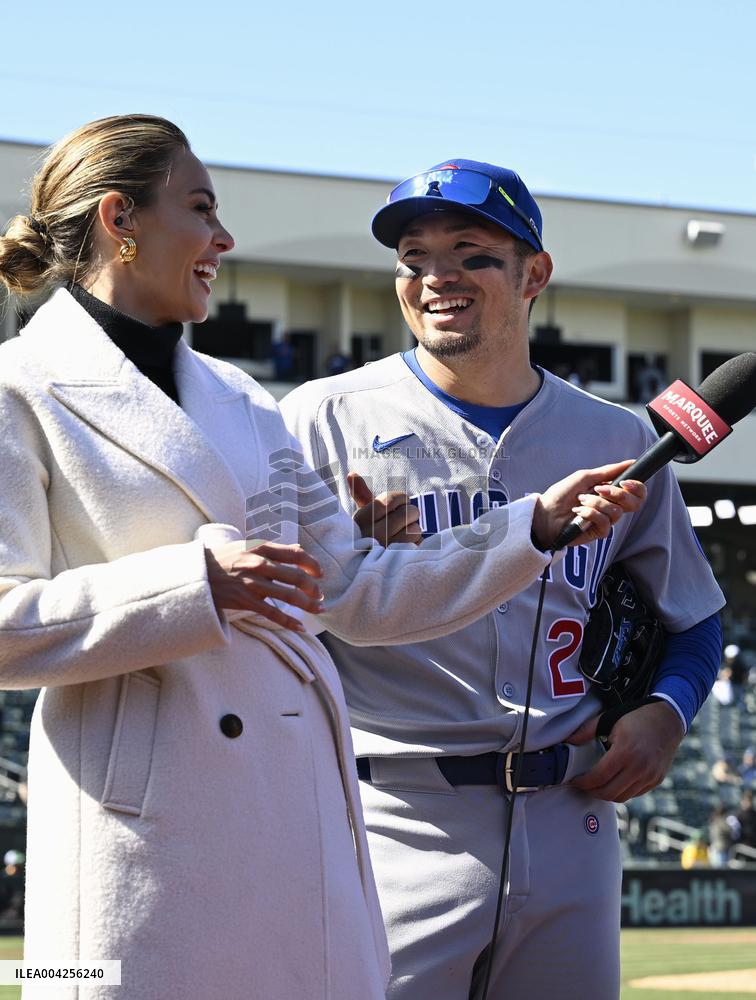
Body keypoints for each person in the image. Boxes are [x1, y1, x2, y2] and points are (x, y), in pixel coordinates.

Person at [0, 124, 644, 1000]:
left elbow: (359, 590)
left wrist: (534, 527)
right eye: (201, 209)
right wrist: (193, 588)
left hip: (290, 811)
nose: (223, 240)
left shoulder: (239, 398)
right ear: (122, 219)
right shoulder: (18, 388)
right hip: (140, 834)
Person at [281, 158, 725, 1000]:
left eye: (472, 254)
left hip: (572, 817)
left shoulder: (615, 435)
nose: (435, 277)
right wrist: (332, 566)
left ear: (534, 275)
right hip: (392, 814)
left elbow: (694, 617)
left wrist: (666, 714)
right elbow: (263, 612)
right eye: (414, 258)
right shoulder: (320, 418)